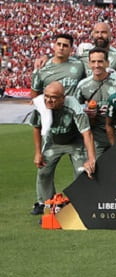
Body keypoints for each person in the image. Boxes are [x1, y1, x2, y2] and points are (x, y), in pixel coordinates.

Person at [28, 82, 97, 215]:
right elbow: (36, 127)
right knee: (43, 172)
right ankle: (46, 203)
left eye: (53, 97)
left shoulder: (74, 106)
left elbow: (86, 132)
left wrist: (91, 158)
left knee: (83, 172)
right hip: (53, 142)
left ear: (63, 98)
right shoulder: (40, 106)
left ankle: (81, 203)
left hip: (74, 142)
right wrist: (37, 153)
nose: (49, 100)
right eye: (46, 96)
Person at [75, 47, 116, 157]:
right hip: (96, 136)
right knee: (97, 169)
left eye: (100, 61)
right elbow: (75, 110)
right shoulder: (83, 85)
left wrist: (115, 110)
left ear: (107, 63)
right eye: (93, 61)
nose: (97, 65)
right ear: (89, 63)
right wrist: (86, 112)